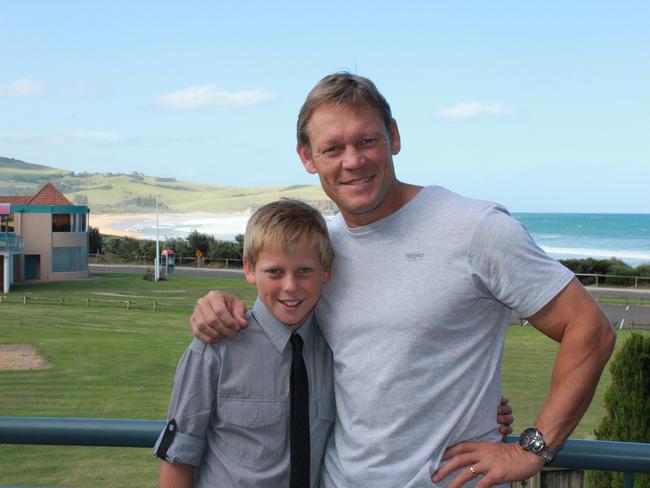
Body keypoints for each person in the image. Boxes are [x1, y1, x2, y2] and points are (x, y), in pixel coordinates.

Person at [190, 73, 615, 487]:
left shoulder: (475, 228)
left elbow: (589, 330)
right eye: (332, 148)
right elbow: (286, 318)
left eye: (367, 140)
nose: (353, 160)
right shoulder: (322, 249)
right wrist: (217, 305)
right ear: (307, 157)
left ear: (393, 136)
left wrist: (530, 451)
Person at [155, 199, 336, 487]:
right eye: (275, 271)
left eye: (304, 270)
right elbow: (179, 457)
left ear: (325, 270)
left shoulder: (336, 351)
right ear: (250, 269)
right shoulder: (214, 347)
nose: (290, 286)